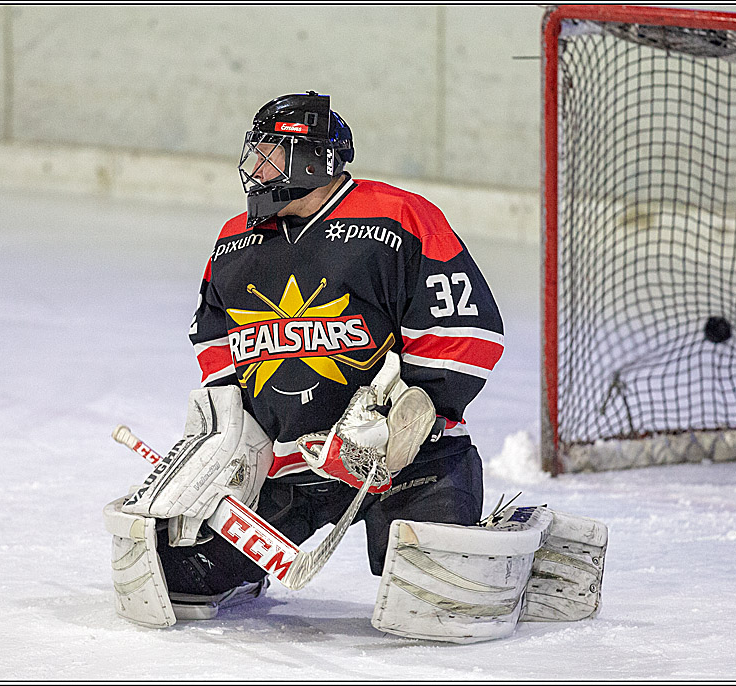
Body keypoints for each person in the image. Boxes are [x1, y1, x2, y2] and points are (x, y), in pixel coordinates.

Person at [111, 91, 506, 616]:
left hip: (408, 464)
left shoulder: (399, 219)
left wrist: (407, 415)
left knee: (441, 601)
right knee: (178, 581)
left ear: (311, 160)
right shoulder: (234, 240)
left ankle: (509, 544)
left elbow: (466, 329)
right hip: (285, 470)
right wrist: (231, 434)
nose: (254, 167)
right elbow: (213, 341)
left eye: (268, 153)